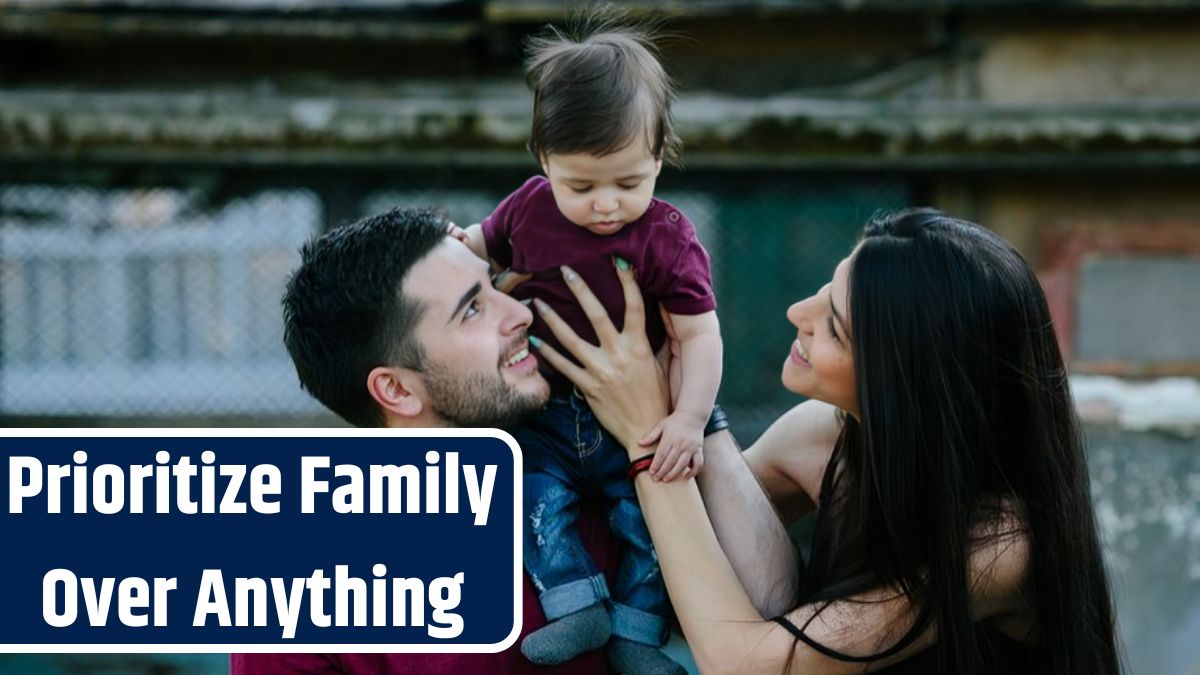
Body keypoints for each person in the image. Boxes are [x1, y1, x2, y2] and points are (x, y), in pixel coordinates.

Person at [533, 209, 1122, 674]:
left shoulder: (997, 546)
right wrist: (686, 408)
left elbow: (746, 664)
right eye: (826, 287)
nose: (797, 312)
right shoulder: (823, 435)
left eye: (834, 326)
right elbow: (705, 573)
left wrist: (646, 437)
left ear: (903, 381)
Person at [232, 206, 617, 675]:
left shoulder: (590, 460)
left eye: (493, 285)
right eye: (472, 308)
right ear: (396, 390)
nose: (520, 312)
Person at [453, 22, 719, 674]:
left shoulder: (667, 238)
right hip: (545, 411)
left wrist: (686, 418)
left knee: (649, 527)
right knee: (527, 499)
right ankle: (573, 604)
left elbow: (699, 335)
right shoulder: (529, 210)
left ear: (660, 156)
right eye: (582, 186)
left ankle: (637, 633)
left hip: (636, 419)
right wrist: (457, 249)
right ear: (543, 160)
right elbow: (479, 250)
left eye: (629, 183)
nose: (606, 206)